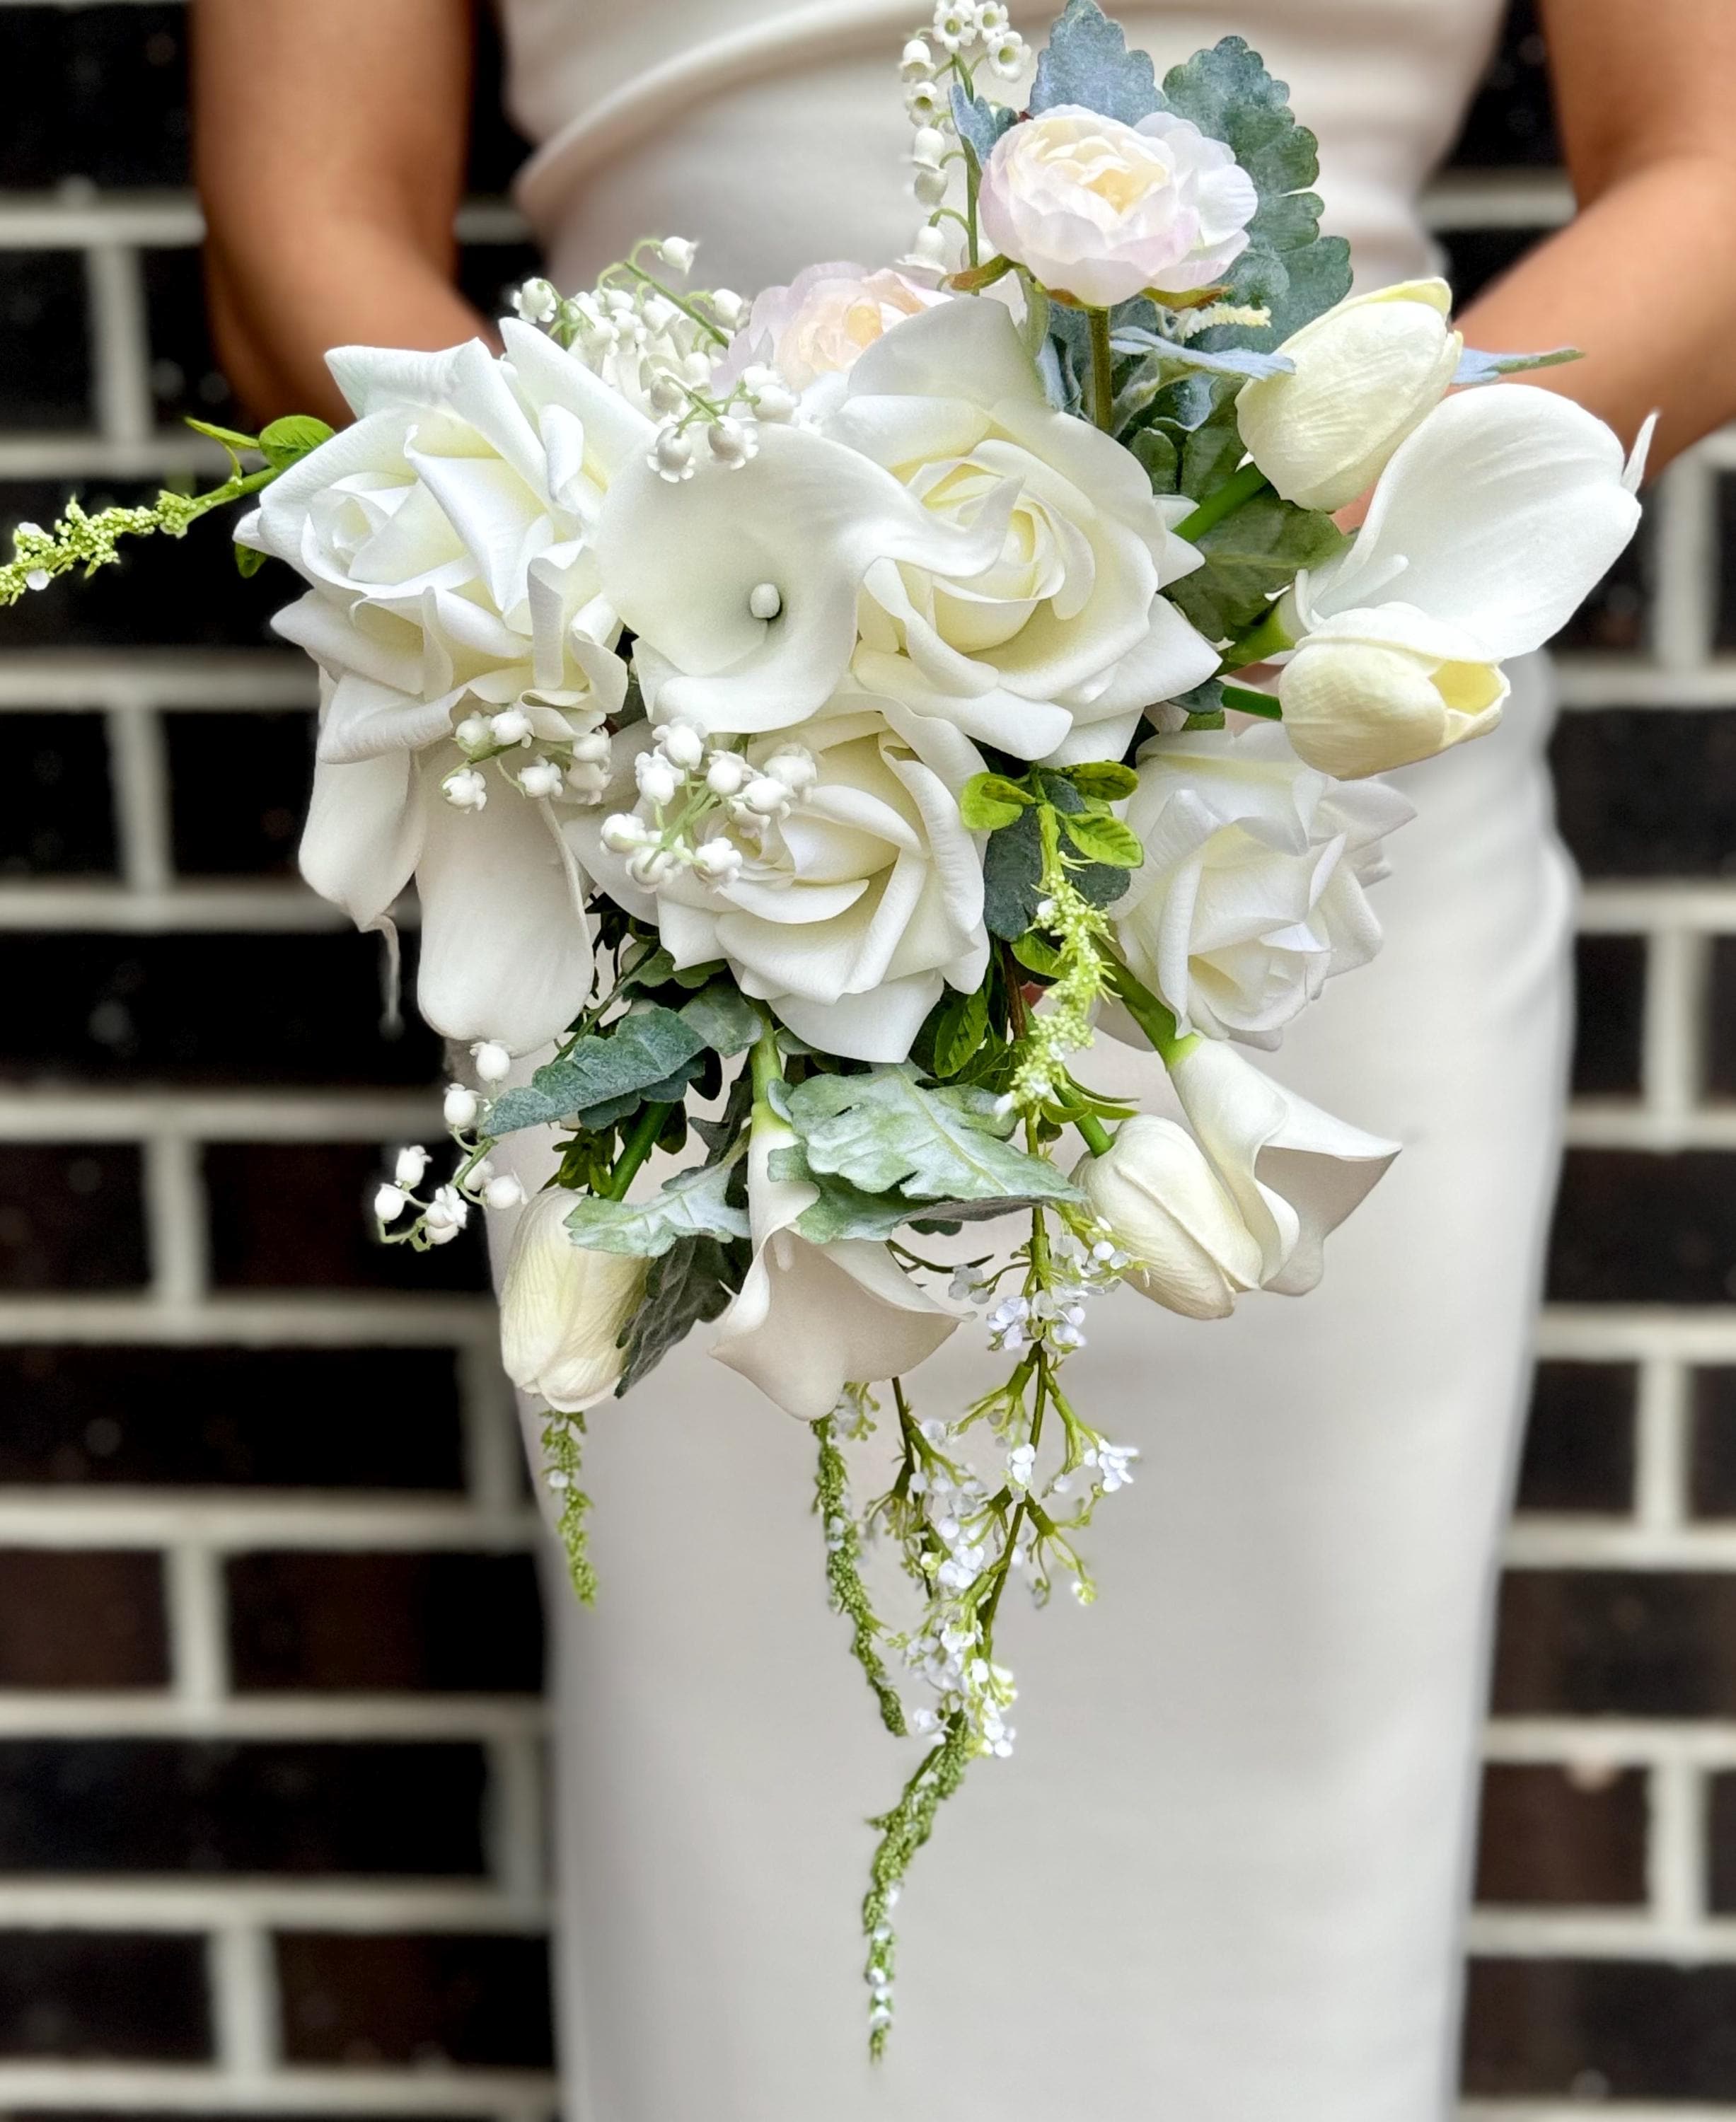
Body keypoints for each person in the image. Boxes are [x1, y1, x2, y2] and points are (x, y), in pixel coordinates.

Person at [192, 4, 1736, 2117]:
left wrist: (1232, 560)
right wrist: (632, 623)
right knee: (765, 1881)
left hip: (1298, 832)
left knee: (1283, 1879)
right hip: (688, 834)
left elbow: (1711, 175)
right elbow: (295, 224)